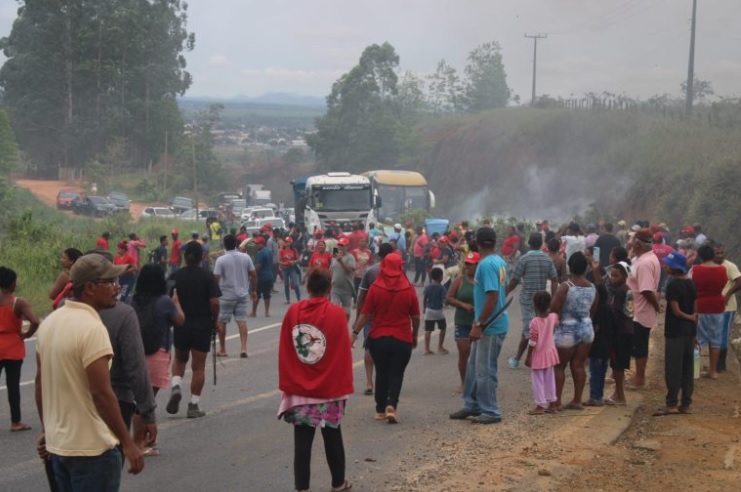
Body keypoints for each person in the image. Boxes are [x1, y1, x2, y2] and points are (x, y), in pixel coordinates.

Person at [35, 254, 144, 490]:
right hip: (93, 450)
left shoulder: (50, 323)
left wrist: (48, 429)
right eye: (110, 282)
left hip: (60, 447)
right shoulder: (92, 328)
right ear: (91, 288)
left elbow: (40, 384)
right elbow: (101, 393)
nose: (117, 288)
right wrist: (128, 442)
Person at [278, 269, 353, 492]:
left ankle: (302, 488)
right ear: (329, 289)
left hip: (300, 387)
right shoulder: (338, 314)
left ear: (308, 288)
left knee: (302, 441)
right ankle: (338, 483)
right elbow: (340, 350)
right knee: (332, 434)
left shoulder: (293, 312)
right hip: (329, 388)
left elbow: (287, 348)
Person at [449, 227, 510, 424]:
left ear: (478, 242)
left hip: (489, 326)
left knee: (485, 370)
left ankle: (491, 411)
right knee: (474, 367)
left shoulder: (485, 265)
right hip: (491, 323)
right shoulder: (499, 261)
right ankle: (472, 404)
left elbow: (492, 296)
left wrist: (479, 324)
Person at [353, 253, 420, 424]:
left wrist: (354, 333)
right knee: (397, 374)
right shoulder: (408, 288)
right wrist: (414, 334)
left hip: (378, 338)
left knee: (381, 373)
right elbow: (416, 316)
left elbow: (365, 314)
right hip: (402, 338)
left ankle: (380, 410)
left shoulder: (375, 288)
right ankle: (392, 405)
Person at [131, 264, 184, 455]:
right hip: (156, 354)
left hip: (133, 354)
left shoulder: (131, 300)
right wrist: (176, 302)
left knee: (137, 399)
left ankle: (142, 441)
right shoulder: (164, 301)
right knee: (145, 402)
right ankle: (139, 444)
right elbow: (180, 321)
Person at [166, 242, 221, 418]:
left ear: (184, 256)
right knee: (198, 367)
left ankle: (176, 386)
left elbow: (168, 299)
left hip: (181, 324)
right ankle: (193, 405)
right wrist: (215, 320)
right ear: (202, 257)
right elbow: (214, 302)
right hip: (202, 325)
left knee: (180, 359)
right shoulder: (207, 277)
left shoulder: (175, 275)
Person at [550, 252, 598, 411]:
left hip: (567, 329)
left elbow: (554, 308)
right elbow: (593, 310)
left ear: (570, 266)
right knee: (578, 365)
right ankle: (577, 400)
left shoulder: (566, 286)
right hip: (586, 328)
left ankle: (556, 402)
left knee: (559, 366)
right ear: (585, 268)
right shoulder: (592, 287)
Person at [506, 233, 558, 369]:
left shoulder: (524, 259)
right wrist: (553, 299)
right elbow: (554, 279)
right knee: (531, 329)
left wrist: (505, 292)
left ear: (529, 243)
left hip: (528, 300)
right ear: (541, 243)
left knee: (530, 330)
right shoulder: (547, 260)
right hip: (542, 301)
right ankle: (518, 359)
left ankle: (528, 359)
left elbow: (515, 279)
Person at [654, 252, 697, 416]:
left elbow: (677, 312)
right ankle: (686, 403)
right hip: (689, 332)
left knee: (674, 368)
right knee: (688, 368)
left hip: (675, 332)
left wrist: (689, 317)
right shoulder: (692, 284)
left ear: (675, 268)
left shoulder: (673, 285)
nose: (665, 266)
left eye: (668, 265)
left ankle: (671, 403)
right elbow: (695, 309)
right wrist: (694, 323)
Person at [0, 266, 40, 431]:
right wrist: (26, 335)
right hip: (13, 347)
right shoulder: (18, 302)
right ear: (11, 284)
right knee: (13, 385)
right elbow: (35, 321)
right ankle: (15, 422)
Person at [354, 243, 395, 396]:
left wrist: (358, 317)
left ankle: (369, 382)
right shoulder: (397, 271)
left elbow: (361, 297)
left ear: (379, 255)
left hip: (370, 315)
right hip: (390, 315)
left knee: (369, 348)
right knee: (388, 349)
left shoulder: (371, 271)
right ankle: (385, 382)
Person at [626, 228, 661, 388]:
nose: (630, 242)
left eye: (632, 240)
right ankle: (637, 377)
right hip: (635, 309)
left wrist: (656, 305)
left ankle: (639, 379)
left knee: (640, 345)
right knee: (637, 344)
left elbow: (646, 289)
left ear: (638, 243)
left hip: (640, 311)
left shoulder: (645, 263)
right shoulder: (642, 259)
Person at [214, 234, 257, 358]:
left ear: (224, 245)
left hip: (226, 295)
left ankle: (223, 349)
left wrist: (214, 295)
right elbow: (253, 275)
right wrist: (253, 291)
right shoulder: (245, 257)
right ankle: (243, 348)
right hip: (242, 294)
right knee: (242, 321)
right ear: (236, 244)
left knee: (222, 322)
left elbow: (216, 278)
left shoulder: (221, 260)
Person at [691, 244, 727, 379]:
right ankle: (713, 371)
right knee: (716, 339)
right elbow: (723, 285)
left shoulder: (696, 269)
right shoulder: (722, 270)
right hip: (718, 307)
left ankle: (695, 371)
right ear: (712, 255)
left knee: (697, 340)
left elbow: (692, 287)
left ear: (700, 256)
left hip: (700, 306)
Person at [446, 251, 479, 392]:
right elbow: (449, 298)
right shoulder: (459, 280)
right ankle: (464, 381)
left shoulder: (482, 281)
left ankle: (478, 382)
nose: (468, 267)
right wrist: (463, 305)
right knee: (464, 352)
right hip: (462, 322)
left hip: (478, 323)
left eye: (471, 265)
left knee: (478, 355)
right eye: (466, 264)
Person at [524, 291, 559, 415]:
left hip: (539, 354)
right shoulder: (553, 317)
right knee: (550, 378)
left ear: (535, 305)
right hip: (550, 352)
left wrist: (528, 357)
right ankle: (553, 404)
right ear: (549, 304)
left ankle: (540, 405)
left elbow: (532, 341)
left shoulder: (535, 322)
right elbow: (557, 324)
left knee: (538, 380)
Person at [604, 261, 633, 406]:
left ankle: (620, 396)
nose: (612, 278)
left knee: (617, 366)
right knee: (617, 365)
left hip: (619, 333)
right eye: (612, 275)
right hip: (626, 330)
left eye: (616, 276)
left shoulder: (621, 292)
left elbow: (615, 313)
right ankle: (617, 393)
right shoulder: (626, 289)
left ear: (625, 276)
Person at [713, 243, 741, 372]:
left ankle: (721, 364)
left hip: (727, 307)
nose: (719, 256)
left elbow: (739, 281)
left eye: (721, 253)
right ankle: (715, 362)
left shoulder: (729, 266)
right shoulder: (710, 265)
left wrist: (728, 294)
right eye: (717, 253)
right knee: (714, 333)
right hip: (713, 306)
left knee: (723, 334)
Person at [422, 268, 448, 355]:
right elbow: (445, 298)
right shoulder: (441, 287)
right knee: (443, 328)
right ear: (441, 277)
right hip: (438, 310)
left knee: (428, 330)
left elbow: (425, 298)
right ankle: (440, 346)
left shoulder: (428, 286)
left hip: (429, 310)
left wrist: (424, 308)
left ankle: (426, 348)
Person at [329, 236, 355, 320]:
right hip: (335, 288)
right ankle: (335, 327)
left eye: (343, 245)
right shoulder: (335, 255)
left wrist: (341, 261)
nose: (340, 247)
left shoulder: (350, 257)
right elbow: (331, 270)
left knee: (346, 313)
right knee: (334, 309)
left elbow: (350, 270)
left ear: (347, 247)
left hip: (347, 289)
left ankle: (344, 327)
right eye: (339, 245)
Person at [251, 236, 274, 318]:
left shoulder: (260, 253)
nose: (256, 245)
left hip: (261, 277)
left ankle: (253, 312)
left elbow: (258, 266)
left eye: (257, 244)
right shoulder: (269, 251)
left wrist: (252, 275)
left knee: (256, 294)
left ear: (262, 244)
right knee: (267, 294)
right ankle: (267, 311)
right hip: (269, 276)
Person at [279, 237, 301, 305]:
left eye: (287, 242)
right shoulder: (281, 251)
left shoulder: (294, 250)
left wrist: (293, 261)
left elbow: (299, 260)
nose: (286, 243)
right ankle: (288, 299)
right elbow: (279, 261)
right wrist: (284, 263)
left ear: (290, 243)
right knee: (286, 284)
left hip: (292, 268)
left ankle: (299, 299)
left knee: (296, 284)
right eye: (285, 241)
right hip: (285, 269)